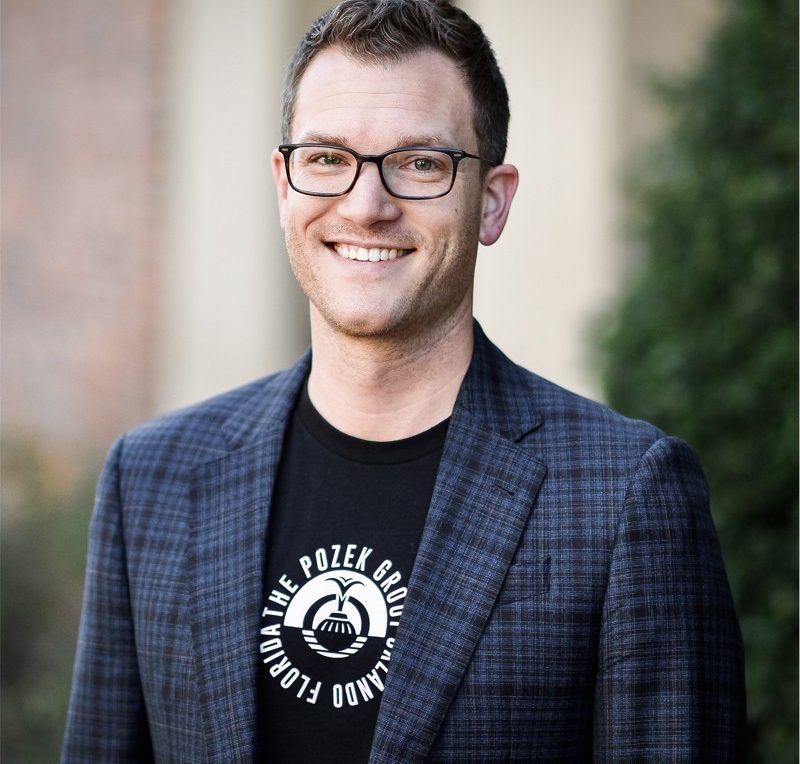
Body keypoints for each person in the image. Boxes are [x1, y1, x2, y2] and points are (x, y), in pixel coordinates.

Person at [62, 0, 746, 761]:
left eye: (420, 163)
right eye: (328, 158)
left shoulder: (624, 495)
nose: (366, 206)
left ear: (491, 202)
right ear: (284, 186)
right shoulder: (151, 478)